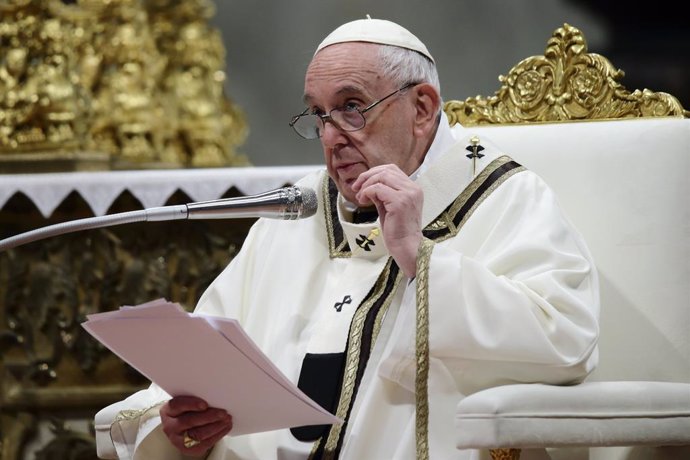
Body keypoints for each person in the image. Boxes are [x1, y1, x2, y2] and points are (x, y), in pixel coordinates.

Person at [95, 17, 600, 460]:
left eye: (352, 107)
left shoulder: (503, 196)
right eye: (318, 114)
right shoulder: (297, 210)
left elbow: (565, 338)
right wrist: (183, 425)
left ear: (422, 108)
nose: (332, 136)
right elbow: (203, 362)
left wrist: (420, 257)